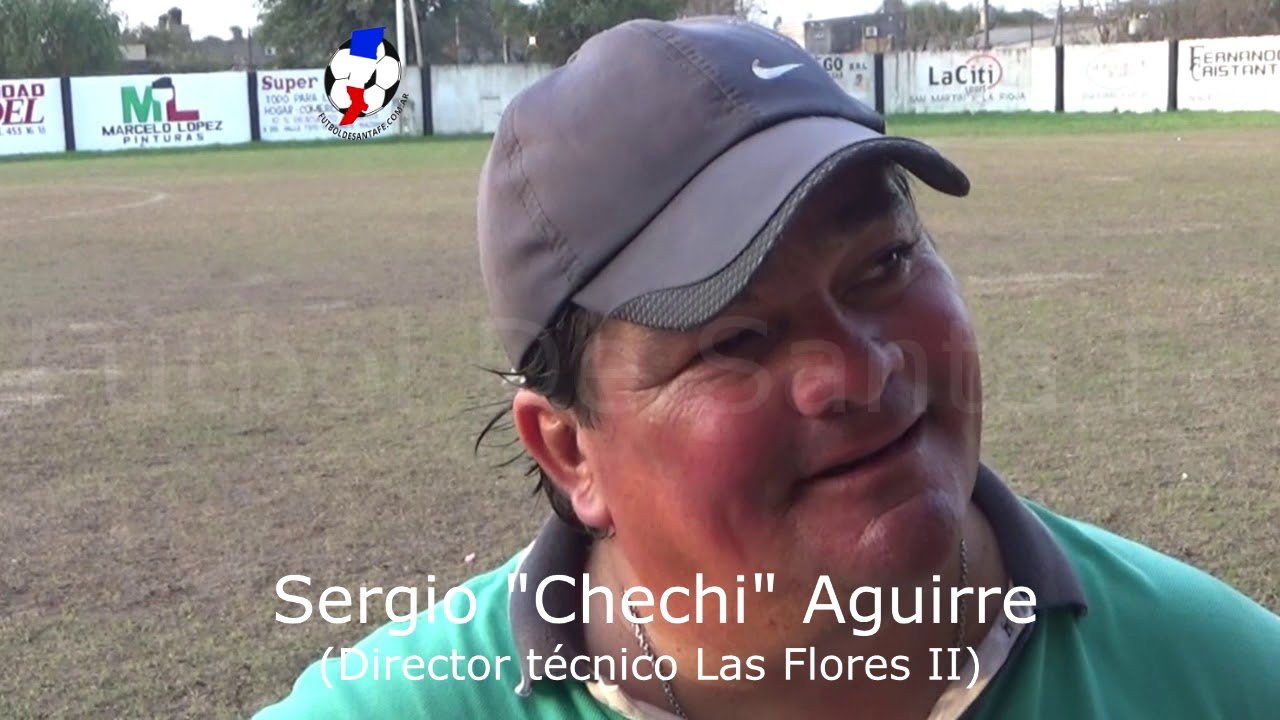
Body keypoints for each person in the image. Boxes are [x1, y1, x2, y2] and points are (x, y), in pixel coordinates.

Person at [255, 16, 1280, 720]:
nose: (860, 369)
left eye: (882, 264)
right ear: (569, 452)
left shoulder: (1218, 677)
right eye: (732, 340)